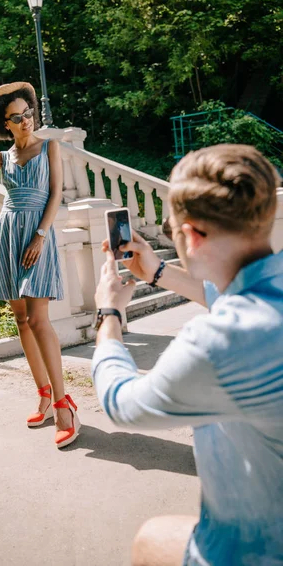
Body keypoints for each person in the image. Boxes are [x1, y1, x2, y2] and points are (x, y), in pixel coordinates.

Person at [91, 144, 283, 565]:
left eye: (170, 228)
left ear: (191, 236)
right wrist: (158, 272)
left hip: (257, 551)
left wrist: (109, 315)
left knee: (148, 540)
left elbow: (123, 405)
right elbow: (232, 292)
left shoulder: (220, 341)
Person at [0, 82, 80, 449]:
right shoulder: (2, 158)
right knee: (21, 319)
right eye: (16, 117)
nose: (26, 121)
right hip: (8, 235)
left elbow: (56, 193)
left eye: (28, 114)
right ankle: (42, 394)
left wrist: (41, 235)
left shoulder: (49, 147)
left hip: (36, 236)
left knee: (40, 319)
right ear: (5, 124)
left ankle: (63, 405)